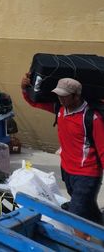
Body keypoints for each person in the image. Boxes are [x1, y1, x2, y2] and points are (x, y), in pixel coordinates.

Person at [22, 75, 104, 228]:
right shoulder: (59, 108)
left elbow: (103, 149)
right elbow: (34, 102)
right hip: (67, 170)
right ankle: (100, 227)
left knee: (75, 215)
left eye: (65, 96)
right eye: (59, 95)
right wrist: (24, 88)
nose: (61, 99)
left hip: (87, 175)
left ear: (76, 96)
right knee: (87, 208)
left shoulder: (92, 117)